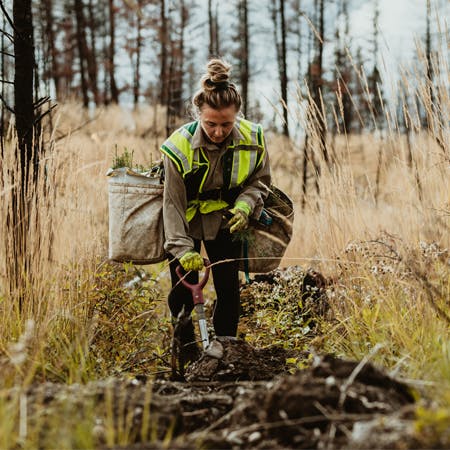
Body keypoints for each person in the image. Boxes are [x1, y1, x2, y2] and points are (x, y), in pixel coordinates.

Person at [160, 58, 271, 360]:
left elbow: (261, 182)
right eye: (210, 124)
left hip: (226, 221)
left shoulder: (254, 139)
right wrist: (183, 250)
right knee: (181, 293)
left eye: (226, 124)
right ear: (198, 115)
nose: (219, 131)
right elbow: (172, 205)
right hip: (185, 222)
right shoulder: (177, 147)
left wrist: (246, 206)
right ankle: (185, 357)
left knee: (228, 290)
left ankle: (226, 354)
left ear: (237, 115)